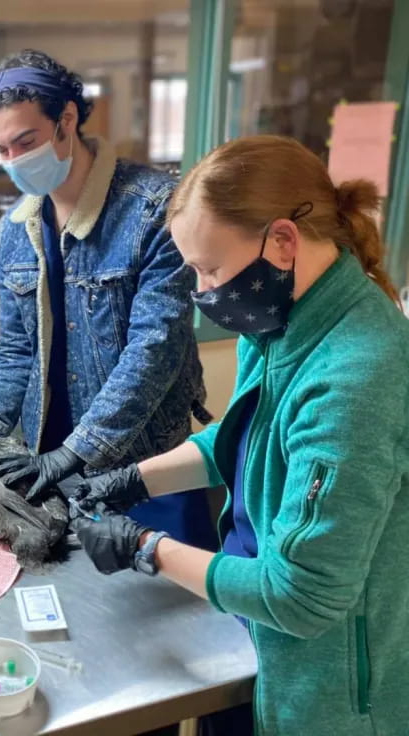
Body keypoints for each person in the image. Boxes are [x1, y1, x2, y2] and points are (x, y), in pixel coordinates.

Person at [71, 135, 409, 735]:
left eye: (211, 269)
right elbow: (246, 438)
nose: (203, 293)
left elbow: (300, 597)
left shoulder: (355, 378)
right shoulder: (282, 323)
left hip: (328, 687)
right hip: (255, 630)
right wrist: (130, 479)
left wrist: (144, 548)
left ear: (282, 240)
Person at [0, 50, 216, 549]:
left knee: (167, 590)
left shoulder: (154, 209)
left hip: (145, 458)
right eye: (1, 150)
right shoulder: (16, 229)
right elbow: (18, 349)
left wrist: (80, 449)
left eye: (26, 141)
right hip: (50, 453)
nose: (14, 161)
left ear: (67, 119)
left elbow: (156, 347)